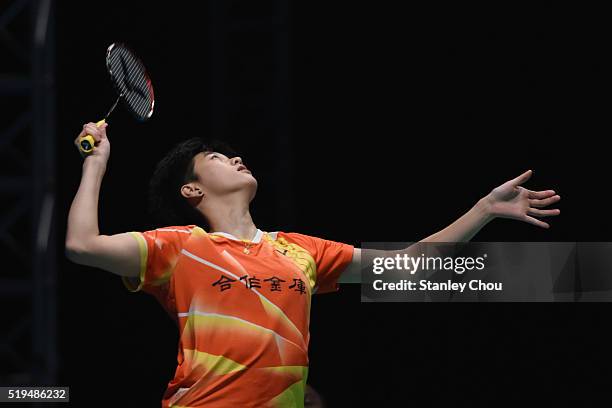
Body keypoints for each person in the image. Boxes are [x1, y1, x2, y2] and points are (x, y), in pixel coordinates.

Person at [65, 122, 561, 407]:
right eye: (217, 158)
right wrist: (96, 163)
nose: (236, 160)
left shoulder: (301, 250)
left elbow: (408, 267)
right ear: (191, 190)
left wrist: (483, 210)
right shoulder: (179, 247)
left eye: (236, 156)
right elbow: (83, 245)